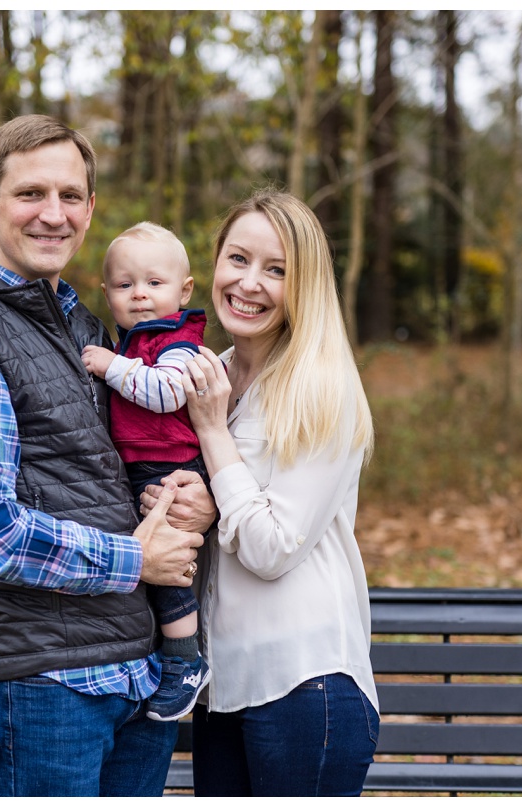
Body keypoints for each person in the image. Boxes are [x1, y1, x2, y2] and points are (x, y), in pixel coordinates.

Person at [0, 114, 208, 797]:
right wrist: (138, 559)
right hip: (46, 686)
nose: (53, 214)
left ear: (91, 209)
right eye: (30, 194)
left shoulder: (95, 330)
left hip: (138, 677)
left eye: (70, 196)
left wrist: (194, 495)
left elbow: (135, 460)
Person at [153, 188, 380, 796]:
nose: (249, 283)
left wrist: (210, 432)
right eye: (238, 259)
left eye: (276, 270)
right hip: (222, 684)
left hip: (305, 684)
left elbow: (272, 547)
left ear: (304, 285)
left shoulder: (320, 389)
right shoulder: (206, 375)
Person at [81, 222, 212, 722]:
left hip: (171, 466)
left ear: (184, 290)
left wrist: (113, 367)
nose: (139, 294)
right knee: (151, 567)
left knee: (168, 569)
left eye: (154, 283)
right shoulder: (137, 340)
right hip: (142, 467)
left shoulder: (176, 343)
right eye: (124, 284)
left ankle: (185, 661)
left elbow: (167, 393)